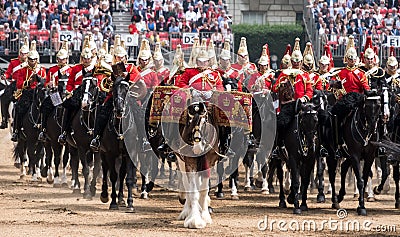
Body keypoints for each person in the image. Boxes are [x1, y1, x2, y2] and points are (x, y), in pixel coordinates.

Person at [272, 38, 313, 143]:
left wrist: (304, 98)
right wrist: (281, 85)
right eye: (294, 61)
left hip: (302, 104)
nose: (296, 63)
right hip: (288, 104)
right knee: (281, 123)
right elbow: (274, 88)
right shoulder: (284, 73)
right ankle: (279, 145)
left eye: (298, 61)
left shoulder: (305, 75)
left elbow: (309, 91)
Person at [58, 36, 97, 145]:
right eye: (84, 58)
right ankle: (64, 132)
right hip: (76, 93)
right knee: (67, 108)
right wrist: (70, 91)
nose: (86, 60)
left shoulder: (96, 68)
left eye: (88, 58)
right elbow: (70, 82)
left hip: (90, 93)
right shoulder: (75, 69)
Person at [11, 40, 47, 141]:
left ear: (37, 59)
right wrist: (28, 82)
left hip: (39, 92)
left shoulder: (42, 70)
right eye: (30, 59)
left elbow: (45, 82)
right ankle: (17, 131)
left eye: (34, 60)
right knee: (19, 108)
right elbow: (19, 84)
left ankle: (47, 130)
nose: (32, 61)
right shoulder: (23, 70)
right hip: (28, 92)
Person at [38, 40, 72, 141]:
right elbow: (46, 83)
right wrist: (50, 84)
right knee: (45, 106)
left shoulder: (70, 70)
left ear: (66, 59)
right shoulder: (52, 70)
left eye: (63, 59)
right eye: (60, 59)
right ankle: (43, 129)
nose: (61, 61)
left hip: (68, 94)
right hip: (56, 93)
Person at [0, 36, 29, 129]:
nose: (23, 55)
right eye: (22, 53)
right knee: (4, 97)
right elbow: (8, 72)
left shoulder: (31, 63)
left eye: (25, 54)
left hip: (26, 84)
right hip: (14, 84)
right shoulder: (14, 62)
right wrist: (5, 76)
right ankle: (4, 119)